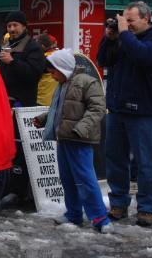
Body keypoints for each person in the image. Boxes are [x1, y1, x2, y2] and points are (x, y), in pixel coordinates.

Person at [33, 49, 112, 233]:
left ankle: (100, 218)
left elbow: (97, 108)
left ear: (63, 68)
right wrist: (45, 118)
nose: (52, 76)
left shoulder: (87, 82)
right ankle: (73, 213)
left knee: (85, 179)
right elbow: (60, 109)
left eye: (53, 72)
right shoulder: (62, 85)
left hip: (79, 139)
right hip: (65, 138)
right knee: (67, 179)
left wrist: (81, 129)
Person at [97, 1, 152, 227]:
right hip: (118, 110)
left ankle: (147, 209)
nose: (126, 25)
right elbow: (103, 60)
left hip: (144, 113)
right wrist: (109, 38)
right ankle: (118, 204)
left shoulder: (148, 40)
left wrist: (123, 34)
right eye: (125, 20)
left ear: (146, 18)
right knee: (115, 160)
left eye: (131, 21)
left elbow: (143, 57)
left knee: (146, 164)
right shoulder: (123, 39)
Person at [0, 10, 45, 221]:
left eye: (15, 26)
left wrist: (12, 62)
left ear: (24, 27)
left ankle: (19, 192)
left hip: (21, 106)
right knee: (4, 148)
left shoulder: (33, 47)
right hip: (3, 105)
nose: (11, 30)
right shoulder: (5, 46)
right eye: (9, 26)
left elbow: (34, 73)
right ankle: (2, 188)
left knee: (19, 152)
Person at [36, 33, 59, 106]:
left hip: (42, 99)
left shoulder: (43, 59)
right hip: (57, 99)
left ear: (42, 46)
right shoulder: (60, 55)